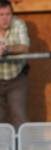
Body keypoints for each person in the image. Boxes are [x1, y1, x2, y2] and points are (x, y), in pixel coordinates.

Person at [0, 0, 29, 129]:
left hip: (16, 78)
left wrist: (6, 50)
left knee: (19, 116)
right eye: (1, 15)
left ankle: (20, 149)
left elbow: (24, 47)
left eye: (8, 14)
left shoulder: (19, 24)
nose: (5, 18)